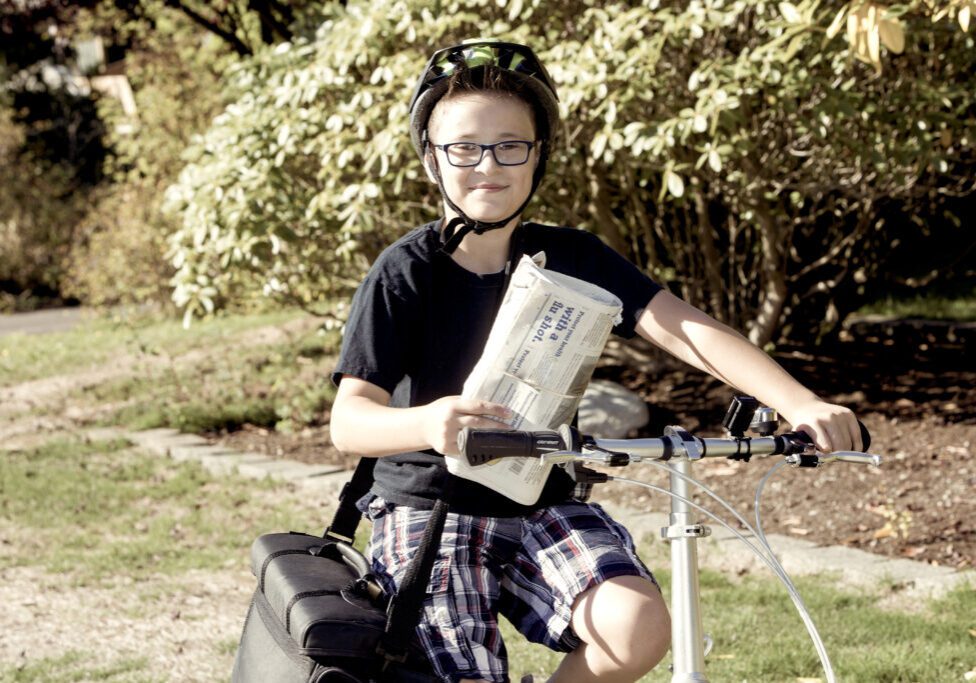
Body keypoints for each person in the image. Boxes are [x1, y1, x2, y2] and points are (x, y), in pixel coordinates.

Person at [329, 40, 862, 683]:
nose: (487, 165)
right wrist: (428, 422)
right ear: (432, 160)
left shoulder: (573, 256)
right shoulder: (406, 272)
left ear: (538, 157)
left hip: (540, 498)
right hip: (429, 506)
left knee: (635, 626)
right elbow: (349, 422)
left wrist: (800, 403)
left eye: (511, 145)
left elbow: (687, 329)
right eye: (464, 147)